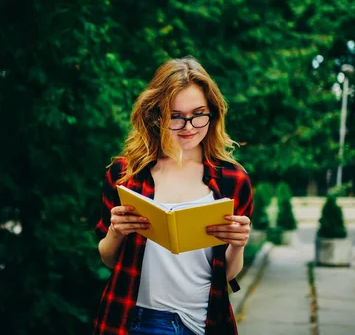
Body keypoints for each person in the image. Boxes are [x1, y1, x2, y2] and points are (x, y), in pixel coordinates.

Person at [93, 57, 253, 335]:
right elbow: (108, 259)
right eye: (176, 116)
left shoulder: (233, 180)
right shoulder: (126, 174)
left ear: (212, 112)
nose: (189, 126)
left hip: (206, 323)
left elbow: (225, 275)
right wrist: (116, 232)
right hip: (141, 321)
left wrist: (237, 245)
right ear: (156, 115)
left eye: (198, 113)